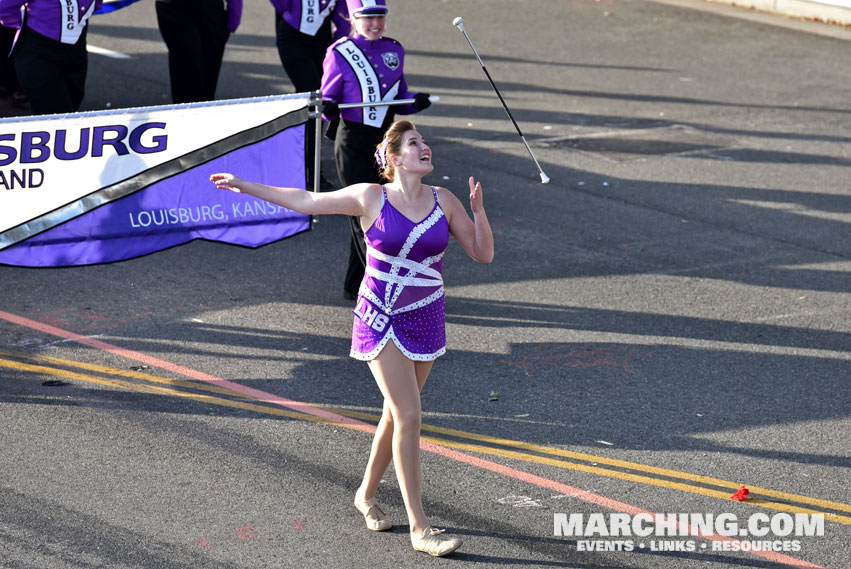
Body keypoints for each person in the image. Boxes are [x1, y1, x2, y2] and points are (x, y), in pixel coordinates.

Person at [210, 120, 494, 557]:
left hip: (426, 315)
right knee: (409, 414)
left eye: (424, 142)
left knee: (395, 414)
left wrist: (477, 211)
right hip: (381, 315)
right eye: (414, 143)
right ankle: (421, 528)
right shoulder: (370, 196)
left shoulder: (445, 200)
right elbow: (307, 201)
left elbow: (483, 253)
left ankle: (365, 494)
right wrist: (247, 186)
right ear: (395, 158)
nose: (425, 148)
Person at [320, 0, 432, 300]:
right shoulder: (339, 52)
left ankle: (354, 284)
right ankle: (378, 286)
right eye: (367, 18)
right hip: (354, 142)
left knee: (388, 211)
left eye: (380, 17)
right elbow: (326, 104)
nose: (375, 24)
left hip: (388, 142)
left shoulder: (394, 49)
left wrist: (415, 102)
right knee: (362, 214)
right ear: (352, 19)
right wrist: (328, 108)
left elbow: (400, 96)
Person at [270, 0, 349, 189]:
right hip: (292, 38)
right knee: (313, 98)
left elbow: (343, 15)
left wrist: (339, 47)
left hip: (323, 41)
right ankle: (309, 169)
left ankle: (299, 157)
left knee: (313, 100)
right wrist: (291, 9)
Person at [0, 0, 102, 115]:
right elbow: (5, 8)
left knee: (71, 109)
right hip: (38, 50)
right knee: (56, 117)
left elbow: (96, 5)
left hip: (76, 49)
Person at [155, 0, 242, 104]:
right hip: (175, 8)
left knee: (208, 79)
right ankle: (186, 115)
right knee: (188, 78)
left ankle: (202, 113)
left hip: (212, 10)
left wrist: (235, 10)